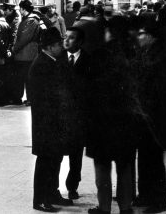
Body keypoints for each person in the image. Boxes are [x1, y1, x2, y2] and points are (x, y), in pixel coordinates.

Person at [86, 16, 140, 214]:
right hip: (126, 122)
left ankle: (104, 207)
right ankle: (126, 207)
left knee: (102, 168)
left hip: (102, 122)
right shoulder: (133, 53)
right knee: (125, 168)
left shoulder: (99, 54)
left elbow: (91, 90)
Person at [134, 15, 166, 213]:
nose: (139, 37)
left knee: (154, 161)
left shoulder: (161, 57)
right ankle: (144, 195)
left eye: (142, 34)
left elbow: (161, 91)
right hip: (147, 117)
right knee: (145, 159)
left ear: (152, 36)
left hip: (157, 118)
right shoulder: (150, 52)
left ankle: (160, 200)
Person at [29, 28, 73, 213]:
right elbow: (41, 96)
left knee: (55, 159)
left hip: (54, 121)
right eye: (58, 44)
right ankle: (40, 199)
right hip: (46, 122)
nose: (61, 47)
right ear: (49, 46)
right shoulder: (41, 65)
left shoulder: (52, 62)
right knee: (45, 161)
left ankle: (52, 193)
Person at [62, 27, 91, 201]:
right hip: (62, 113)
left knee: (75, 153)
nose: (66, 41)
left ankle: (72, 185)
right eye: (65, 37)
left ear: (80, 42)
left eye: (71, 38)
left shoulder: (88, 60)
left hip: (79, 115)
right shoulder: (57, 59)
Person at [11, 0, 41, 106]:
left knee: (26, 77)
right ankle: (28, 98)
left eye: (20, 9)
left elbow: (24, 38)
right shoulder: (29, 19)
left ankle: (30, 99)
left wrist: (14, 50)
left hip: (26, 54)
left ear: (24, 9)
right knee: (26, 77)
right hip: (26, 54)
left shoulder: (30, 21)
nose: (20, 11)